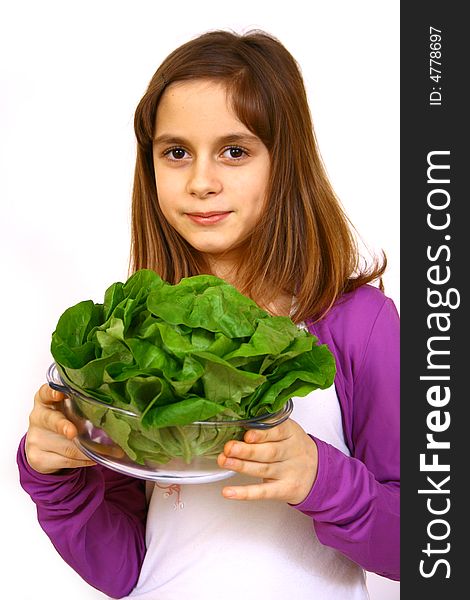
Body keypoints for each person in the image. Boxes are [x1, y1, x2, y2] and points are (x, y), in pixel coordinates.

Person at [17, 30, 399, 599]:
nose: (201, 182)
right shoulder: (131, 338)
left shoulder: (356, 323)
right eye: (176, 152)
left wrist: (323, 480)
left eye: (235, 151)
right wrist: (54, 477)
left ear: (286, 162)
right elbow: (125, 571)